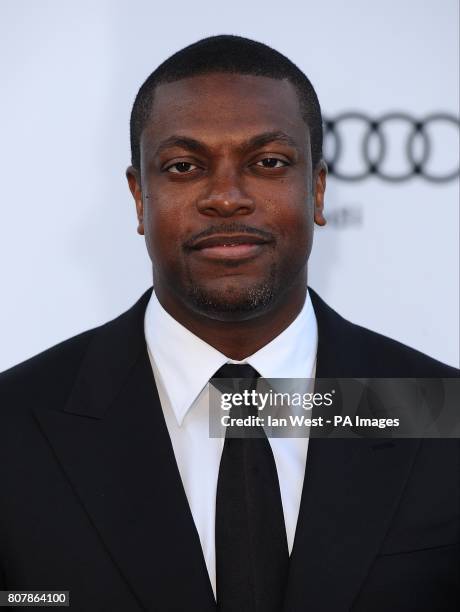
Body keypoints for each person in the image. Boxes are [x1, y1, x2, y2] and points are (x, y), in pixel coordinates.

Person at [0, 35, 458, 612]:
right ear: (140, 198)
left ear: (316, 189)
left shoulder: (441, 414)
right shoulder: (14, 428)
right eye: (184, 166)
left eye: (267, 162)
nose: (225, 197)